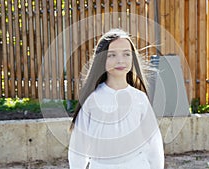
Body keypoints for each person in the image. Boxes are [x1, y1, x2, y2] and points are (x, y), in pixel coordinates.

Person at [68, 28, 164, 169]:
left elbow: (154, 144)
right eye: (111, 55)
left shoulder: (140, 99)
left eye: (126, 54)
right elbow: (78, 147)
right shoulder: (91, 100)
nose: (120, 60)